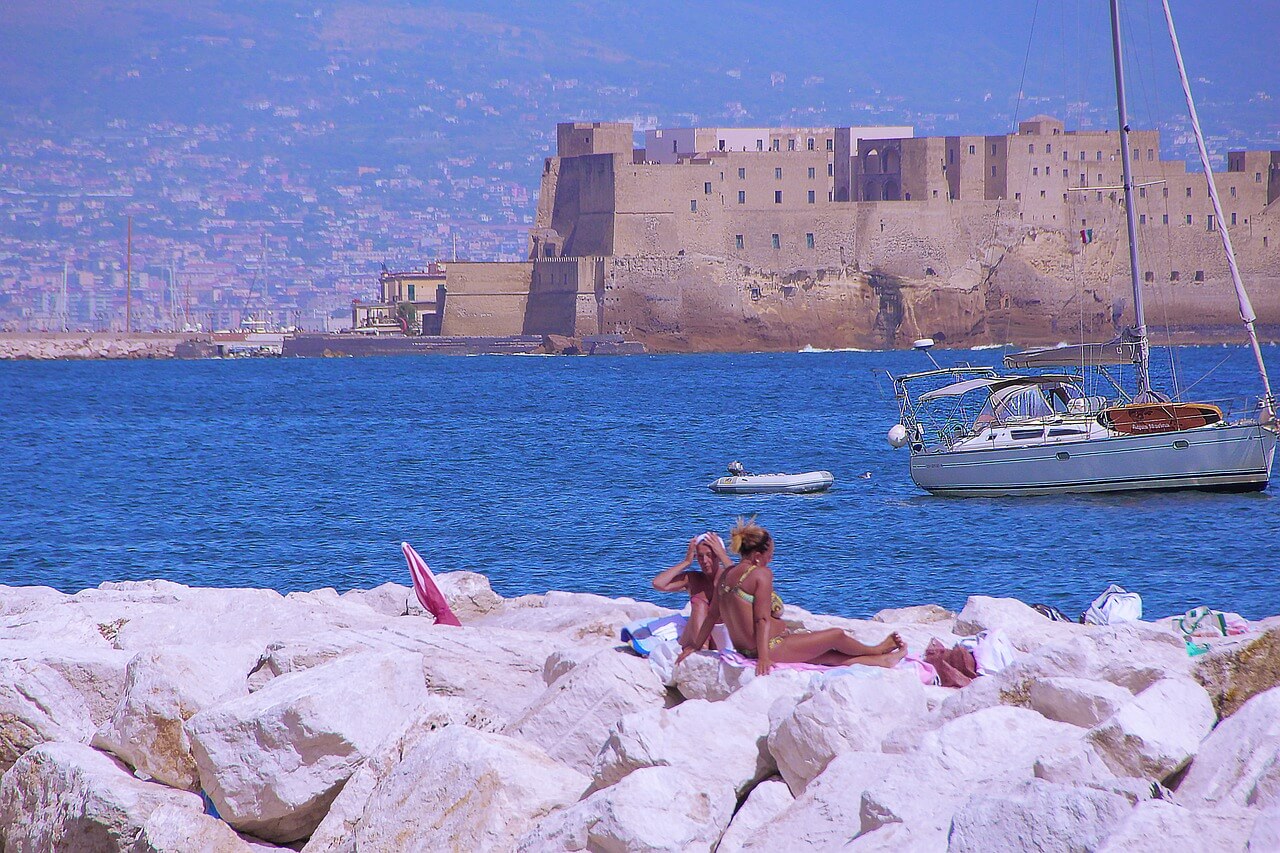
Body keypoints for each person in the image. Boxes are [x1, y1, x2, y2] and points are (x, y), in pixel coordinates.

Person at [676, 518, 906, 677]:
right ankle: (876, 650)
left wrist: (694, 646)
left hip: (745, 649)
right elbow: (762, 620)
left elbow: (713, 614)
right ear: (757, 556)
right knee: (835, 635)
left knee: (829, 656)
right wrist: (764, 658)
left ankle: (883, 661)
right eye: (769, 555)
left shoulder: (726, 575)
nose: (770, 560)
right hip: (768, 647)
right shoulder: (760, 575)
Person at [652, 532, 730, 650]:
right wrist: (686, 562)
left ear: (718, 555)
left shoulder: (728, 577)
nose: (704, 560)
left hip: (720, 636)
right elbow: (658, 584)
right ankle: (702, 650)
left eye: (709, 555)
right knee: (699, 604)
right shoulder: (693, 579)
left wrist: (723, 555)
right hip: (696, 639)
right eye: (700, 556)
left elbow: (741, 581)